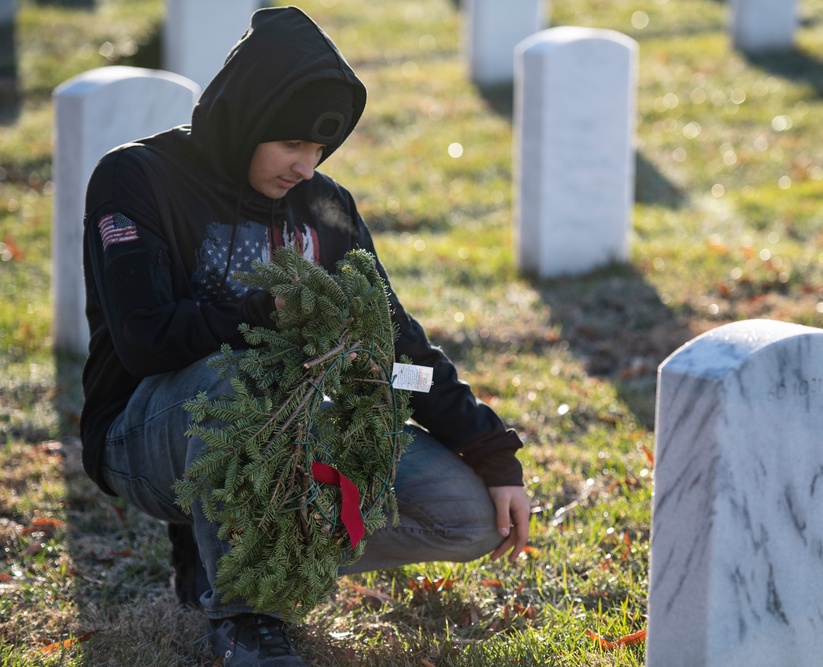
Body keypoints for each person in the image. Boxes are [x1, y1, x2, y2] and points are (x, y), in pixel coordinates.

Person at [80, 6, 530, 666]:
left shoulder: (326, 206)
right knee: (237, 377)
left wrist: (486, 444)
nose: (306, 166)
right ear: (247, 118)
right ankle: (245, 618)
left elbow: (392, 344)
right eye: (292, 144)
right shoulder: (137, 177)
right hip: (144, 429)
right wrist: (265, 310)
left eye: (320, 150)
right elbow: (146, 339)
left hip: (298, 428)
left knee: (462, 513)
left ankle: (227, 556)